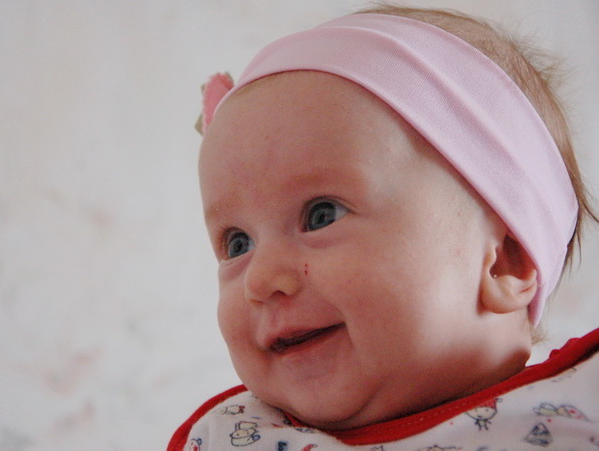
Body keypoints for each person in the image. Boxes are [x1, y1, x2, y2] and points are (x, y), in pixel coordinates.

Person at [170, 5, 598, 450]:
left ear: (503, 263)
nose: (259, 281)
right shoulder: (238, 437)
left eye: (321, 215)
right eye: (238, 244)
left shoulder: (580, 411)